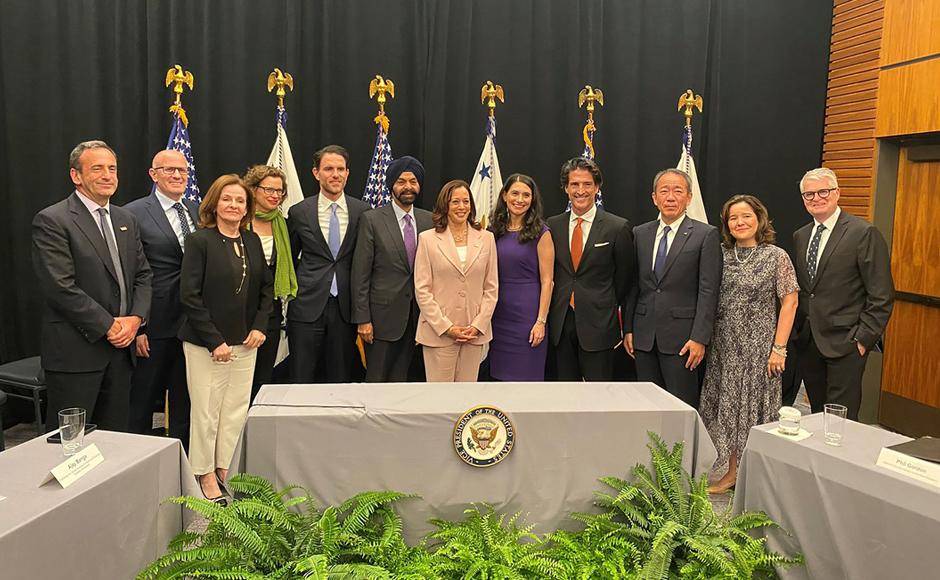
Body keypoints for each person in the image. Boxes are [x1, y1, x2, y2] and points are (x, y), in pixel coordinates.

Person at [32, 140, 152, 432]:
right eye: (97, 168)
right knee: (69, 445)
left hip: (121, 355)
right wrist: (110, 326)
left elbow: (144, 276)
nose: (107, 175)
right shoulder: (52, 220)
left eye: (112, 168)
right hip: (77, 354)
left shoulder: (126, 219)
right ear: (76, 175)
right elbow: (61, 287)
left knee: (115, 439)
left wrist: (135, 320)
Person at [179, 174, 273, 503]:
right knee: (206, 412)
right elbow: (189, 296)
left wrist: (260, 326)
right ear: (214, 204)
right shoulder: (199, 241)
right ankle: (203, 474)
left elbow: (266, 289)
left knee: (234, 411)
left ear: (247, 208)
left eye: (240, 201)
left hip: (246, 343)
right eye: (227, 199)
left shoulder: (252, 242)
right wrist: (214, 340)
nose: (234, 205)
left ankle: (225, 470)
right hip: (206, 344)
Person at [699, 195, 799, 493]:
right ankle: (732, 471)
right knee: (728, 410)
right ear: (726, 224)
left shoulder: (775, 256)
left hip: (758, 349)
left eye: (746, 216)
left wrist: (779, 348)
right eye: (733, 218)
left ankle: (747, 475)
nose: (740, 222)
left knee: (751, 411)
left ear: (759, 219)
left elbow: (790, 301)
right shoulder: (720, 254)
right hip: (723, 347)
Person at [793, 167, 894, 420]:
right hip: (810, 342)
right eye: (809, 195)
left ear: (837, 193)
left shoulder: (863, 233)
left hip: (847, 344)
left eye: (823, 191)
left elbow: (881, 294)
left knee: (842, 421)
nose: (816, 198)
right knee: (816, 416)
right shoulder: (801, 236)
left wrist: (862, 340)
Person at [624, 168, 722, 408]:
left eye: (678, 191)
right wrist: (628, 329)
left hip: (683, 340)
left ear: (689, 197)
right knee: (646, 406)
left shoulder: (705, 235)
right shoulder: (640, 233)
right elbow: (633, 285)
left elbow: (708, 291)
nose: (670, 197)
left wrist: (700, 337)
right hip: (644, 336)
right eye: (664, 191)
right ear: (654, 198)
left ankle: (681, 448)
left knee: (681, 407)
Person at [124, 149, 199, 446]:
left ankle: (180, 464)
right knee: (142, 401)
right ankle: (134, 461)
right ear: (153, 174)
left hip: (192, 324)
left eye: (182, 170)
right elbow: (129, 274)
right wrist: (139, 325)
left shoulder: (198, 209)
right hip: (153, 325)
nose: (178, 176)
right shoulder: (133, 213)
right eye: (169, 170)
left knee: (185, 400)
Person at [547, 157, 634, 381]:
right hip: (560, 325)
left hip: (599, 325)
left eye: (587, 184)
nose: (580, 190)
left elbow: (625, 280)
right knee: (564, 399)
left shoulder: (617, 227)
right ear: (566, 188)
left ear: (597, 187)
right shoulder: (552, 225)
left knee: (598, 401)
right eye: (574, 184)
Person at [287, 145, 368, 383]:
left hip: (346, 308)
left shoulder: (362, 211)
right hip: (306, 306)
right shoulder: (299, 212)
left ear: (347, 173)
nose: (335, 174)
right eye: (329, 169)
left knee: (341, 377)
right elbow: (290, 260)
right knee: (301, 375)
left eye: (340, 169)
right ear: (316, 173)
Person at [351, 156, 433, 382]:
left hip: (419, 319)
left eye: (413, 181)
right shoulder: (372, 220)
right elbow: (360, 274)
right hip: (380, 321)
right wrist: (363, 320)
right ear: (391, 185)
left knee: (406, 384)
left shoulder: (430, 221)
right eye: (401, 181)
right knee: (377, 381)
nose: (408, 186)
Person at [414, 180, 498, 381]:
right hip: (439, 333)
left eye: (466, 201)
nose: (462, 207)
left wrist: (478, 325)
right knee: (440, 402)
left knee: (466, 401)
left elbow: (491, 288)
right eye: (455, 202)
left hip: (473, 334)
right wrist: (446, 327)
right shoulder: (427, 239)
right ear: (445, 205)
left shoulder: (486, 238)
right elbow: (422, 289)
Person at [487, 174, 554, 381]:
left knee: (525, 382)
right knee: (497, 382)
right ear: (505, 195)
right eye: (515, 193)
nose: (520, 199)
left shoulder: (541, 233)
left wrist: (540, 321)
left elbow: (547, 281)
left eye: (526, 195)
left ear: (532, 200)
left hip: (528, 320)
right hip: (497, 318)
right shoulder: (492, 231)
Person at [244, 165, 297, 401]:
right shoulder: (238, 222)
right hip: (238, 311)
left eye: (280, 191)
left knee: (263, 379)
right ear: (253, 190)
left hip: (271, 312)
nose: (275, 195)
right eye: (269, 190)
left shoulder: (285, 225)